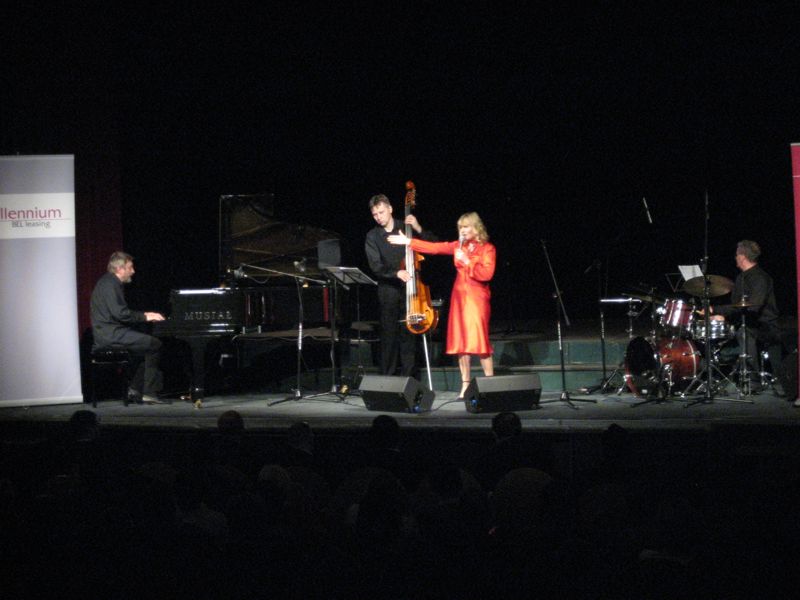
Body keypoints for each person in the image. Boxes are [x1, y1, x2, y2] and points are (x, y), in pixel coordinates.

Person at [388, 211, 496, 398]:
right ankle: (465, 384)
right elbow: (435, 248)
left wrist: (467, 261)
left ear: (476, 227)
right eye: (460, 228)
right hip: (459, 297)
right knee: (461, 343)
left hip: (477, 298)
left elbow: (486, 274)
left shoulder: (487, 248)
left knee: (478, 340)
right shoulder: (458, 246)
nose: (462, 231)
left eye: (466, 227)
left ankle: (490, 383)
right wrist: (409, 242)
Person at [365, 194, 437, 377]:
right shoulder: (372, 236)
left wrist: (418, 227)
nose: (378, 217)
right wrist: (396, 273)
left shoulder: (405, 227)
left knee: (409, 335)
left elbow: (433, 245)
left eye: (381, 212)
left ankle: (409, 378)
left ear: (390, 209)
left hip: (411, 289)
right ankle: (388, 379)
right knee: (388, 335)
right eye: (375, 214)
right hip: (388, 290)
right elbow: (375, 266)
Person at [706, 240, 785, 395]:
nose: (735, 258)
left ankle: (753, 380)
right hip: (748, 321)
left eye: (737, 255)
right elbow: (737, 307)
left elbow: (754, 307)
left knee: (745, 332)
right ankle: (727, 373)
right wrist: (721, 316)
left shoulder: (760, 278)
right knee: (736, 329)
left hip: (766, 325)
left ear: (742, 257)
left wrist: (717, 309)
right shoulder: (740, 278)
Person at [90, 251, 166, 404]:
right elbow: (121, 314)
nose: (133, 271)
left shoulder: (108, 282)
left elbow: (119, 313)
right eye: (130, 267)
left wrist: (145, 314)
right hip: (110, 335)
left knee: (144, 348)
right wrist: (145, 317)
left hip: (109, 333)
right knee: (155, 344)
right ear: (120, 269)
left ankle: (135, 390)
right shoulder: (111, 284)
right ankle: (149, 393)